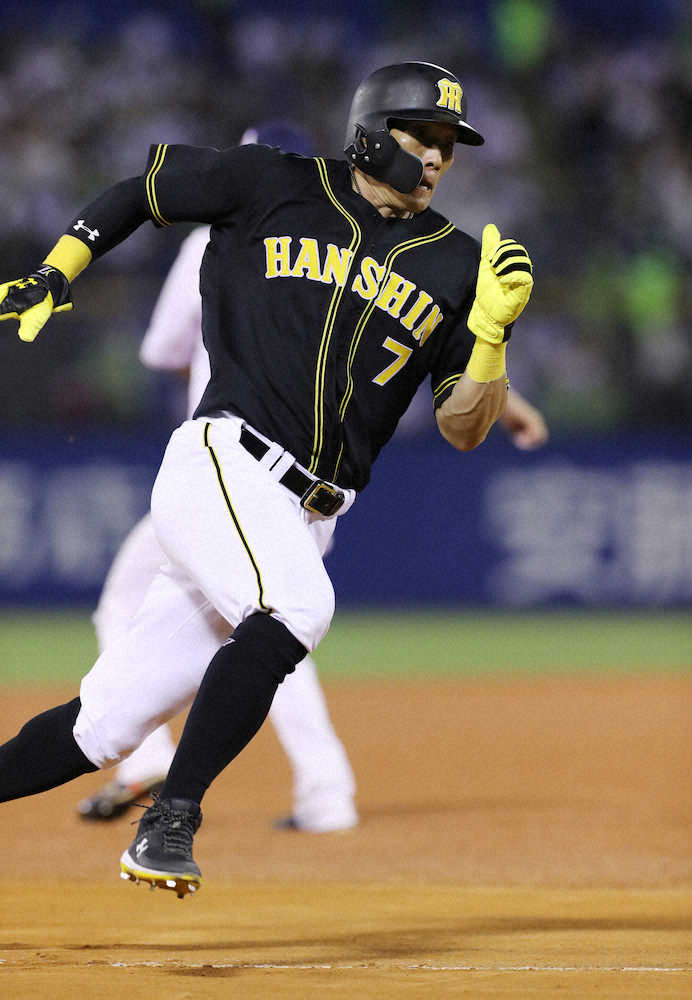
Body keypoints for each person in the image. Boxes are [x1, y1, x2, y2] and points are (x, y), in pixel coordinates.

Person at [0, 61, 534, 898]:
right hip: (226, 460)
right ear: (370, 132)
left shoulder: (457, 264)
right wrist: (57, 270)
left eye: (449, 144)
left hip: (309, 516)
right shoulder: (270, 182)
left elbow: (463, 427)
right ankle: (170, 820)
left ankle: (156, 806)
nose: (437, 156)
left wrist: (492, 341)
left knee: (103, 726)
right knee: (298, 608)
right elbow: (140, 192)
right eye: (422, 134)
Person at [76, 123, 358, 835]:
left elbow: (159, 350)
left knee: (164, 606)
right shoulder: (345, 250)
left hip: (227, 473)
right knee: (272, 626)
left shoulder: (215, 234)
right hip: (311, 478)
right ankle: (325, 789)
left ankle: (148, 762)